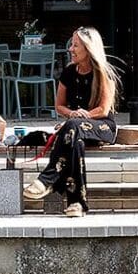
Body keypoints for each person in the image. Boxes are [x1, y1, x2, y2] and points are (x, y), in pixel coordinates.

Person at [25, 27, 119, 217]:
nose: (70, 49)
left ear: (88, 48)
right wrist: (72, 115)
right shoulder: (68, 72)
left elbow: (103, 110)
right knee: (76, 143)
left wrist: (78, 119)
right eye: (71, 45)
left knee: (72, 127)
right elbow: (59, 106)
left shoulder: (103, 73)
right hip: (75, 130)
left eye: (75, 45)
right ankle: (77, 203)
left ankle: (48, 178)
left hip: (102, 126)